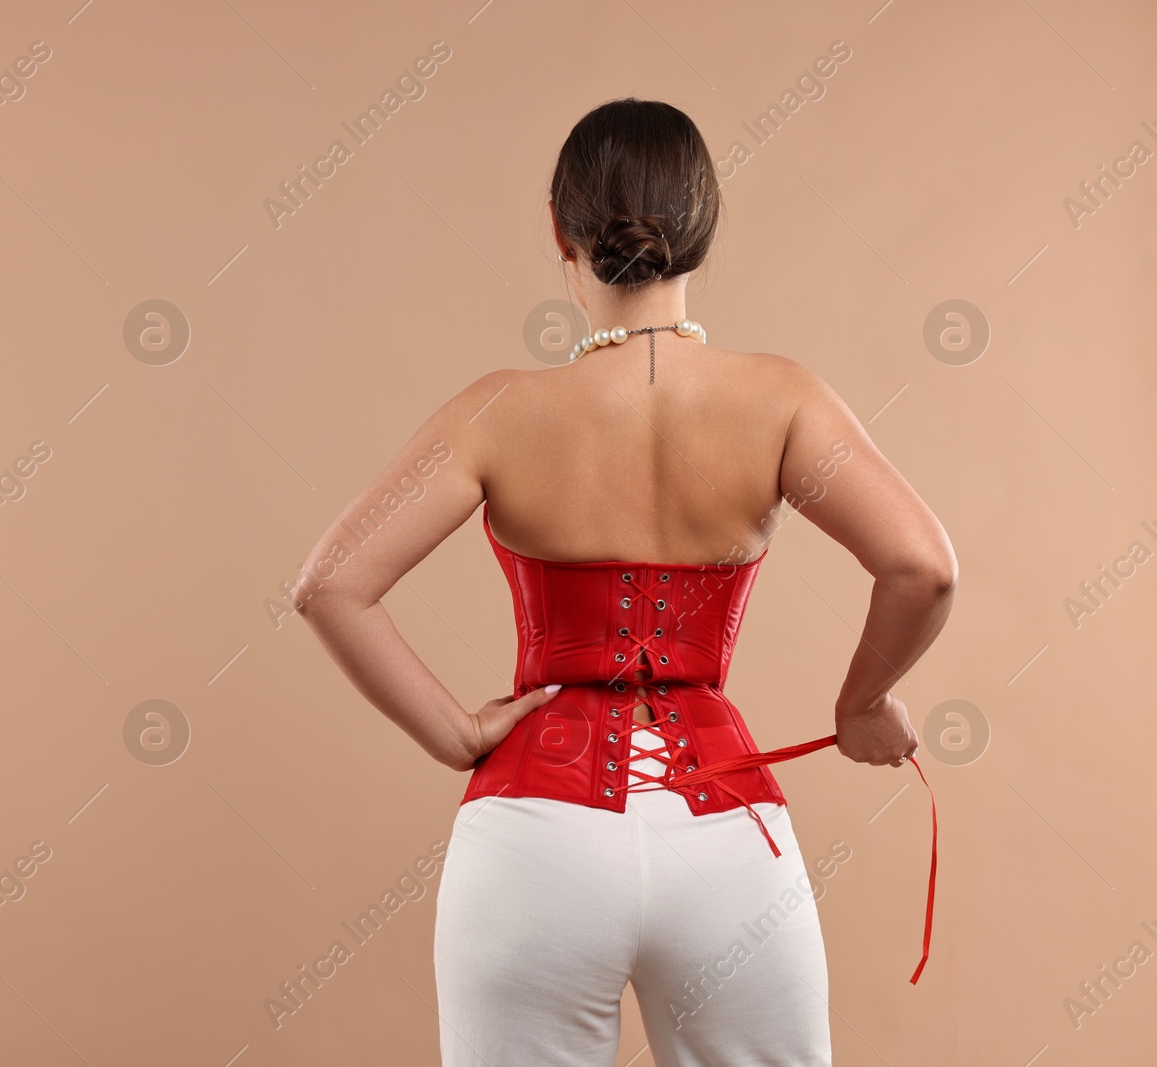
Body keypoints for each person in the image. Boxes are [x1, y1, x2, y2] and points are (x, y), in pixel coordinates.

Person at [292, 98, 957, 1067]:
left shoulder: (499, 410)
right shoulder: (779, 399)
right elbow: (922, 566)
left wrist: (460, 733)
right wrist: (862, 701)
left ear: (557, 228)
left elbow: (329, 585)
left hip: (532, 839)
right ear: (704, 229)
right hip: (723, 838)